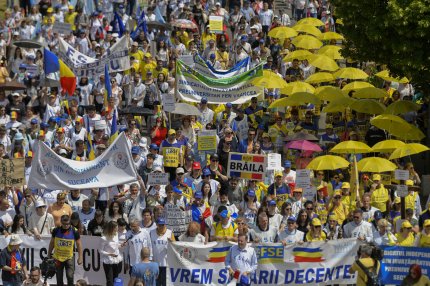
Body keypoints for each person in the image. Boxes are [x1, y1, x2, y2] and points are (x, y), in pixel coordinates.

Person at [150, 217, 175, 286]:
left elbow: (174, 247)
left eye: (162, 225)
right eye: (159, 225)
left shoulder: (170, 233)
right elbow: (149, 246)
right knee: (156, 283)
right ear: (156, 224)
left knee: (165, 283)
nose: (161, 226)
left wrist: (172, 242)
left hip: (166, 264)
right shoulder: (151, 232)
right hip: (155, 263)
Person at [100, 221, 123, 286]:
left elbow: (116, 246)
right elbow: (100, 251)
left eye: (117, 228)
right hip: (108, 261)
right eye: (116, 228)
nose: (117, 229)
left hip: (116, 260)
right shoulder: (103, 238)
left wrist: (121, 245)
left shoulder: (116, 235)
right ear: (111, 228)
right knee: (110, 281)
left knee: (115, 279)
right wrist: (110, 254)